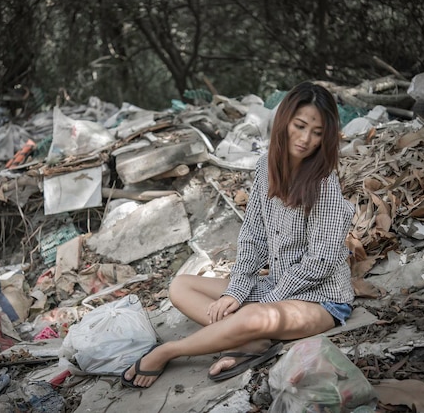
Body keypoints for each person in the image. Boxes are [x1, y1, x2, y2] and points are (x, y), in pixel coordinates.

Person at [121, 81, 355, 389]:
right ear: (285, 122)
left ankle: (170, 351)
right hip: (279, 286)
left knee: (252, 316)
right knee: (181, 286)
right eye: (300, 126)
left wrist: (265, 302)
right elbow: (253, 237)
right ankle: (251, 342)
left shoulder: (324, 183)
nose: (305, 139)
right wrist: (236, 290)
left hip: (322, 299)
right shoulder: (265, 169)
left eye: (317, 132)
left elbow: (320, 263)